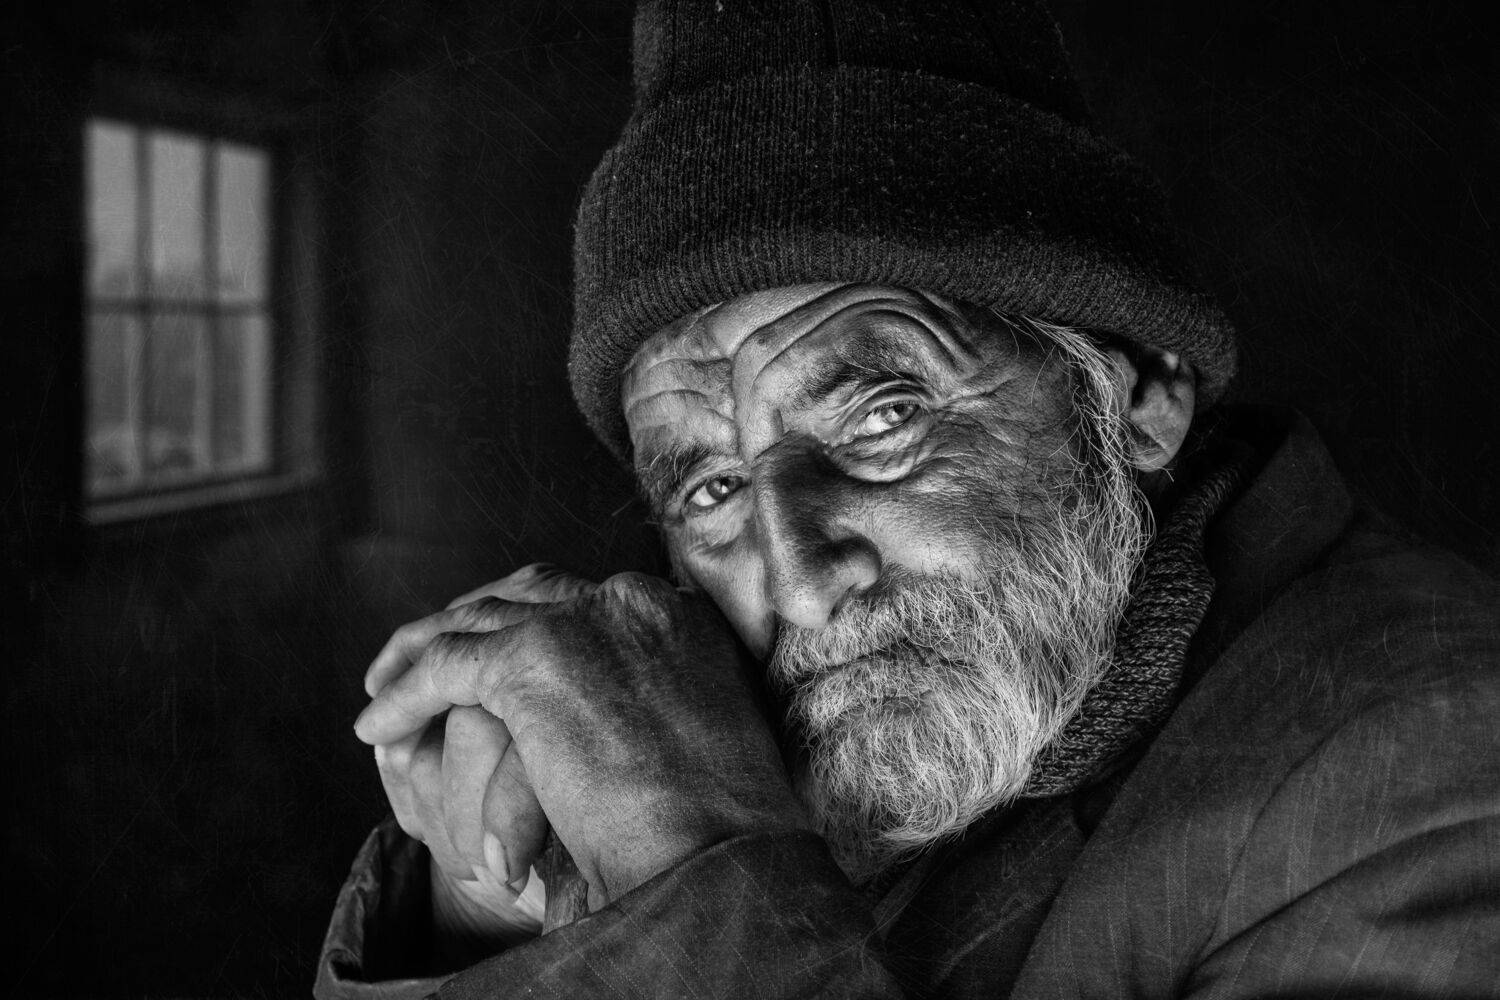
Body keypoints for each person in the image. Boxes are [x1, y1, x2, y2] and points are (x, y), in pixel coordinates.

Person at [315, 2, 1500, 996]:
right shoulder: (826, 729)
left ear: (1140, 395)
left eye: (883, 418)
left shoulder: (1432, 761)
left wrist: (693, 861)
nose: (799, 580)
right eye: (714, 486)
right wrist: (507, 899)